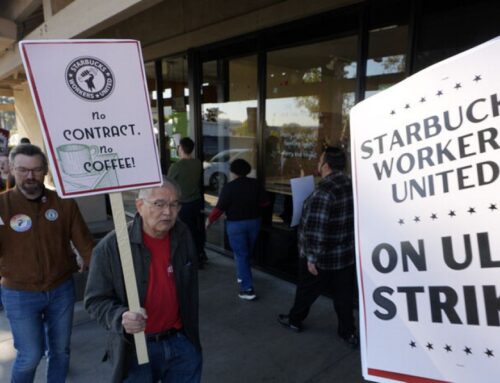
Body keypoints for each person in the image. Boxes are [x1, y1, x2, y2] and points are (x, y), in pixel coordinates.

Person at [84, 177, 202, 383]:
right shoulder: (110, 247)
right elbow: (95, 301)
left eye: (174, 204)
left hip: (181, 342)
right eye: (159, 204)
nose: (168, 212)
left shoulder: (183, 236)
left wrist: (190, 340)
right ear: (139, 206)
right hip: (136, 348)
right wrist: (121, 317)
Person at [0, 143, 94, 382]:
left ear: (46, 170)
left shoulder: (64, 203)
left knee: (60, 352)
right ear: (11, 169)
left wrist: (102, 276)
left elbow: (86, 244)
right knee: (30, 355)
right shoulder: (2, 206)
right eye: (23, 170)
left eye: (36, 169)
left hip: (61, 288)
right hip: (19, 292)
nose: (30, 176)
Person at [277, 146, 358, 348]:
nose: (318, 165)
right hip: (345, 254)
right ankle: (348, 332)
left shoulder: (324, 191)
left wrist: (312, 258)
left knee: (306, 291)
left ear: (327, 165)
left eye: (320, 161)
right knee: (344, 296)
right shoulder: (351, 184)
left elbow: (316, 229)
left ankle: (295, 320)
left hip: (321, 258)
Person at [206, 158, 267, 300]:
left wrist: (209, 221)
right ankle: (243, 275)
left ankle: (247, 290)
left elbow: (219, 208)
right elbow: (265, 203)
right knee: (245, 253)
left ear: (232, 172)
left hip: (236, 225)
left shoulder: (229, 187)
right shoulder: (256, 184)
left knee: (241, 254)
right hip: (254, 222)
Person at [167, 137, 207, 268]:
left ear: (181, 148)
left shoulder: (177, 166)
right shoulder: (197, 163)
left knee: (184, 232)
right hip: (196, 202)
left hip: (183, 204)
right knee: (196, 230)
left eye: (178, 146)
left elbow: (168, 183)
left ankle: (190, 258)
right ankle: (200, 254)